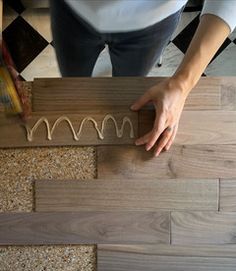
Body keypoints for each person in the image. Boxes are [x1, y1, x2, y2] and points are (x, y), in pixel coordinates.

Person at [50, 0, 236, 156]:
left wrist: (182, 84)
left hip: (154, 23)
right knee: (72, 84)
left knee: (128, 96)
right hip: (71, 10)